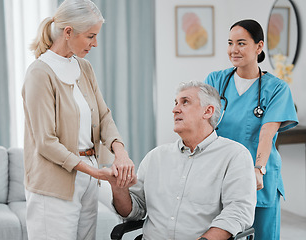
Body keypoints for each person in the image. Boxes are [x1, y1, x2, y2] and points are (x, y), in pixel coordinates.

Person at [22, 0, 136, 239]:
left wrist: (120, 152)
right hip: (54, 186)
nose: (95, 43)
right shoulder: (39, 73)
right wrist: (96, 174)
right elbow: (46, 142)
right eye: (90, 36)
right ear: (68, 32)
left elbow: (104, 116)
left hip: (88, 177)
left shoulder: (84, 68)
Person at [110, 81, 257, 240]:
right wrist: (118, 188)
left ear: (208, 111)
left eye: (185, 102)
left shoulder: (235, 155)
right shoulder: (155, 156)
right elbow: (134, 212)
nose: (175, 110)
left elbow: (238, 212)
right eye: (175, 103)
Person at [205, 19, 298, 240]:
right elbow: (203, 125)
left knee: (262, 235)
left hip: (258, 177)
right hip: (221, 174)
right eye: (230, 43)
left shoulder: (276, 88)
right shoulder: (215, 81)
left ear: (259, 46)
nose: (233, 50)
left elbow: (267, 132)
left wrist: (258, 168)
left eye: (241, 43)